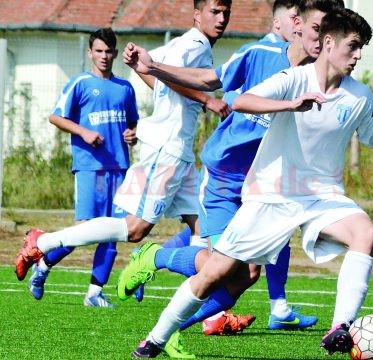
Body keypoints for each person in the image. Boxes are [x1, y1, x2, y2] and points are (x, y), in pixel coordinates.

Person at [122, 7, 373, 358]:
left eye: (362, 48)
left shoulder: (360, 97)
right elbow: (239, 100)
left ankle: (340, 329)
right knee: (216, 272)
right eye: (354, 46)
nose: (359, 55)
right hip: (271, 194)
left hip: (322, 196)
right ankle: (154, 341)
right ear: (329, 43)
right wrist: (289, 105)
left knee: (366, 233)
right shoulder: (294, 79)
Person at [119, 0, 346, 343]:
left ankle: (178, 328)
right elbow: (210, 80)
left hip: (264, 185)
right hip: (225, 176)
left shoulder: (326, 79)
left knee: (247, 275)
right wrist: (154, 67)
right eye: (318, 30)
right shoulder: (258, 55)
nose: (324, 39)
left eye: (331, 33)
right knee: (219, 265)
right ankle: (155, 256)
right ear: (297, 24)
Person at [14, 1, 232, 356]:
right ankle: (47, 240)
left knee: (203, 238)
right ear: (197, 14)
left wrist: (138, 65)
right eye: (215, 11)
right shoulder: (192, 46)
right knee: (133, 230)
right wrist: (207, 100)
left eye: (226, 13)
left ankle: (195, 320)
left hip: (181, 153)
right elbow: (167, 77)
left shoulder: (191, 46)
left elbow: (155, 74)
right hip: (167, 150)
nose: (221, 19)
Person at [26, 28, 139, 308]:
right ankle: (43, 264)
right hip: (90, 168)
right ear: (90, 52)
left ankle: (94, 294)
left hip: (120, 167)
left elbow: (133, 124)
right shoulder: (80, 84)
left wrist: (133, 134)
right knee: (83, 230)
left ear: (115, 53)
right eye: (98, 51)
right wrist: (84, 132)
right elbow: (56, 116)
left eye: (108, 51)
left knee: (114, 232)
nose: (104, 56)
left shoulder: (125, 88)